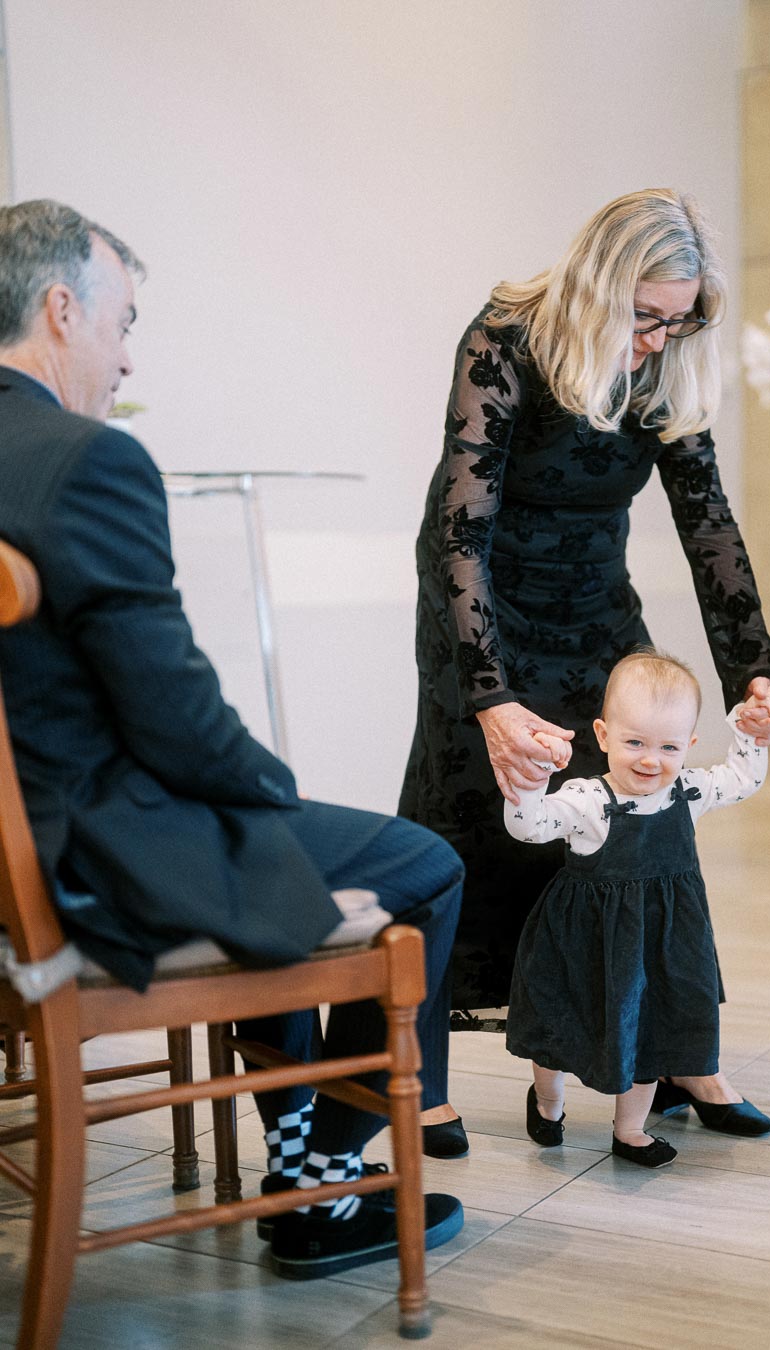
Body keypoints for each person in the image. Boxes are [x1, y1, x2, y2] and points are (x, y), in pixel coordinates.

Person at [0, 199, 464, 1280]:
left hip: (11, 848)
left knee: (285, 839)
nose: (125, 359)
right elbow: (174, 714)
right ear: (60, 309)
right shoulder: (87, 461)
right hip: (92, 857)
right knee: (415, 862)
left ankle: (298, 1145)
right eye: (121, 324)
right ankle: (319, 1188)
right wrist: (270, 785)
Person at [399, 188, 770, 1156]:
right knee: (469, 831)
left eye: (679, 319)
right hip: (479, 602)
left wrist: (755, 671)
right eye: (644, 316)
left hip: (592, 608)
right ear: (597, 289)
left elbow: (708, 524)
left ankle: (677, 1051)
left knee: (642, 840)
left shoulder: (664, 369)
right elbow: (461, 525)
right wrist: (489, 696)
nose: (659, 339)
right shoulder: (507, 336)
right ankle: (428, 1082)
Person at [504, 649, 770, 1165]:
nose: (650, 760)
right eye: (633, 742)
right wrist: (531, 779)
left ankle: (630, 1130)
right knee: (559, 1023)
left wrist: (750, 737)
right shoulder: (590, 799)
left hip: (663, 940)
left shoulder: (689, 789)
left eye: (669, 746)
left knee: (652, 1030)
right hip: (584, 940)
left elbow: (743, 780)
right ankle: (547, 1100)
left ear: (690, 745)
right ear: (603, 735)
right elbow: (529, 825)